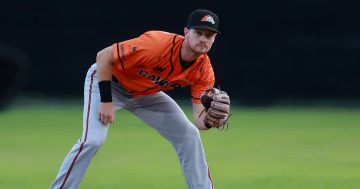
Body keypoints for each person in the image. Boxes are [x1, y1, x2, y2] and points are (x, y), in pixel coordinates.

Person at [50, 9, 231, 189]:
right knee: (92, 140)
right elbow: (103, 56)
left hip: (145, 93)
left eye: (209, 35)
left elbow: (199, 120)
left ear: (214, 38)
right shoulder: (157, 44)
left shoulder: (204, 71)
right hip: (109, 83)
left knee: (189, 134)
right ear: (186, 32)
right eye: (198, 33)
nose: (203, 39)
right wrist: (106, 100)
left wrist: (211, 121)